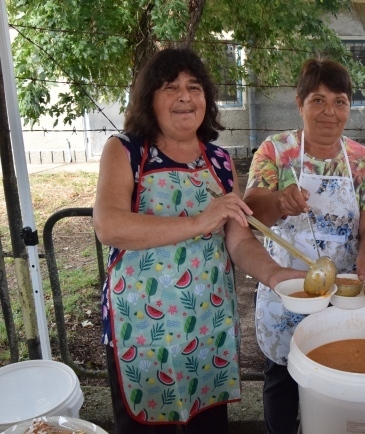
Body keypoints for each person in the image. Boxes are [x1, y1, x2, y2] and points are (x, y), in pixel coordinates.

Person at [93, 48, 304, 434]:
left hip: (206, 326)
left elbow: (238, 241)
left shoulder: (220, 161)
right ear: (148, 100)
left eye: (194, 87)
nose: (185, 97)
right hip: (140, 330)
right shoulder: (126, 151)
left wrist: (277, 277)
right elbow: (109, 226)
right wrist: (198, 221)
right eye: (170, 88)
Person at [243, 57, 365, 434]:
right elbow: (252, 207)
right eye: (317, 100)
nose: (329, 111)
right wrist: (279, 202)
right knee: (282, 381)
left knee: (335, 380)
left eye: (340, 101)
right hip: (285, 289)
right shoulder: (276, 151)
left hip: (343, 291)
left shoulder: (362, 160)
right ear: (299, 102)